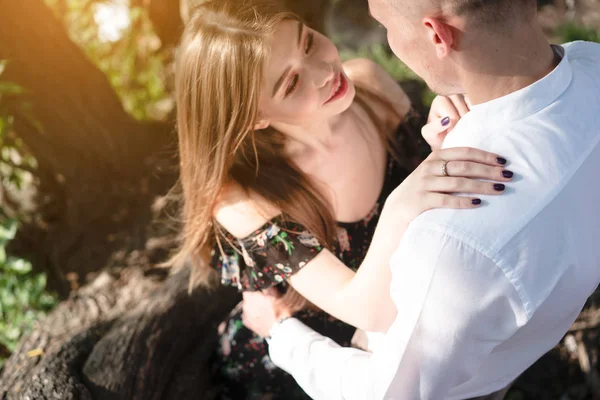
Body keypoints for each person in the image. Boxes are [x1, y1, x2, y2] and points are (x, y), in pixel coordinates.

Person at [242, 0, 600, 399]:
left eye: (386, 27)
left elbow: (385, 393)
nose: (326, 71)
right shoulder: (594, 64)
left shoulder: (452, 244)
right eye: (290, 83)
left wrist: (282, 334)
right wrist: (464, 138)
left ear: (436, 35)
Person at [171, 1, 511, 399]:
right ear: (253, 116)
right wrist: (402, 205)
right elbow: (370, 310)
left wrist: (445, 134)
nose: (325, 71)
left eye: (309, 43)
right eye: (291, 83)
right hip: (315, 359)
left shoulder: (367, 85)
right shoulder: (242, 195)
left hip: (416, 321)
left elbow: (438, 186)